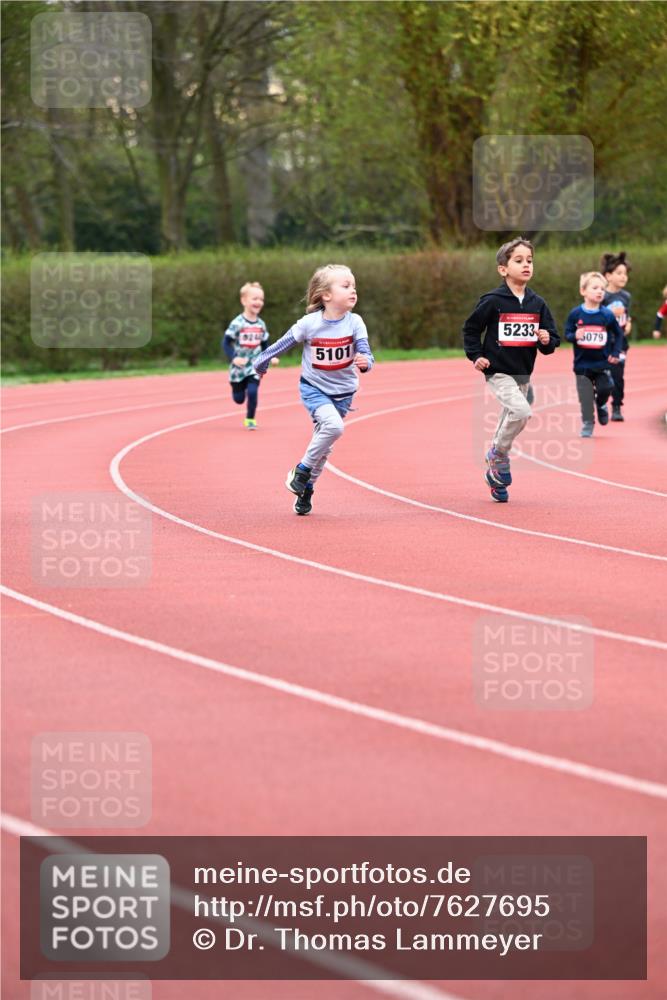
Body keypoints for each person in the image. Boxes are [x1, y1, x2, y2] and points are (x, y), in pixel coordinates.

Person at [253, 264, 374, 515]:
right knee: (333, 428)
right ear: (325, 295)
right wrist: (260, 363)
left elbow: (365, 351)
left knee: (325, 445)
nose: (353, 290)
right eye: (346, 285)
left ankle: (306, 486)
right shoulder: (310, 324)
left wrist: (365, 362)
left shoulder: (355, 322)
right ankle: (301, 470)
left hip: (343, 393)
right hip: (315, 389)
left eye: (354, 286)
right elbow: (280, 345)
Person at [462, 237, 559, 503]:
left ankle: (495, 475)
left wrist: (546, 339)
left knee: (514, 413)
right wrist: (476, 356)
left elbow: (553, 338)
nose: (526, 265)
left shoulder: (537, 303)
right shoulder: (493, 301)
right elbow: (471, 329)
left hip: (523, 373)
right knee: (521, 411)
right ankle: (499, 454)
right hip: (498, 371)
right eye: (519, 260)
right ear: (503, 269)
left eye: (529, 260)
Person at [564, 272, 622, 438]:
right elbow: (567, 334)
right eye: (595, 288)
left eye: (602, 289)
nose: (600, 291)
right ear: (583, 291)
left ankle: (602, 404)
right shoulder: (575, 314)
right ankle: (588, 423)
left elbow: (618, 334)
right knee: (585, 396)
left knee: (606, 387)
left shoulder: (607, 315)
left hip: (602, 363)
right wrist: (574, 336)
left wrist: (615, 352)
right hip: (582, 365)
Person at [222, 281, 277, 429]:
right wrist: (234, 358)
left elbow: (265, 344)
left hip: (255, 364)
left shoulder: (261, 324)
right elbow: (226, 343)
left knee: (253, 391)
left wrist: (271, 356)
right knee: (239, 399)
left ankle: (250, 419)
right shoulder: (237, 323)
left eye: (261, 299)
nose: (259, 302)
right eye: (255, 299)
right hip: (238, 367)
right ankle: (237, 388)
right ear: (244, 301)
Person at [600, 251, 632, 421]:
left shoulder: (626, 296)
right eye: (619, 273)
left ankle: (617, 406)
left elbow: (627, 316)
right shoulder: (602, 295)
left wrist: (628, 325)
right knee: (603, 375)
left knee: (618, 376)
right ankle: (601, 402)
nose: (623, 277)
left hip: (619, 343)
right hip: (603, 343)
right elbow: (596, 316)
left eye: (625, 274)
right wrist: (610, 312)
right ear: (608, 276)